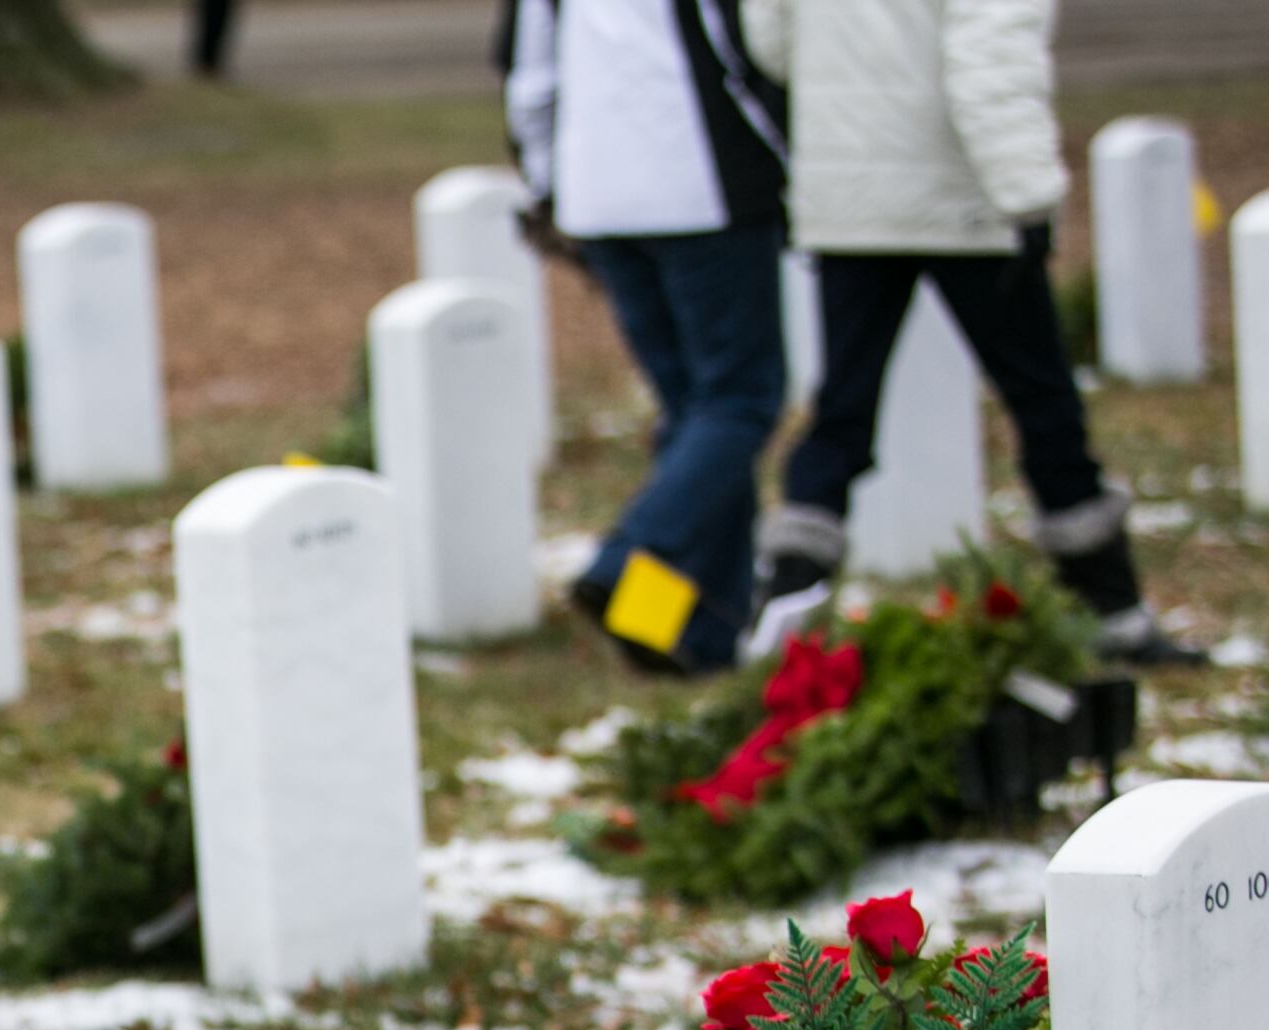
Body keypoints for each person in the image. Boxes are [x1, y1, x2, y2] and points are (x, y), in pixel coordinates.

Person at [742, 0, 1196, 664]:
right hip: (964, 198)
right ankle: (1112, 614)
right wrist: (1027, 196)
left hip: (848, 197)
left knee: (841, 411)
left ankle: (783, 615)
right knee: (1043, 403)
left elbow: (772, 40)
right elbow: (993, 67)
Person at [501, 0, 789, 674]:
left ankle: (683, 628)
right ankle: (633, 554)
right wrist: (786, 160)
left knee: (696, 416)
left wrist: (552, 184)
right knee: (739, 399)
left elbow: (530, 79)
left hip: (599, 193)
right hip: (702, 186)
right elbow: (745, 52)